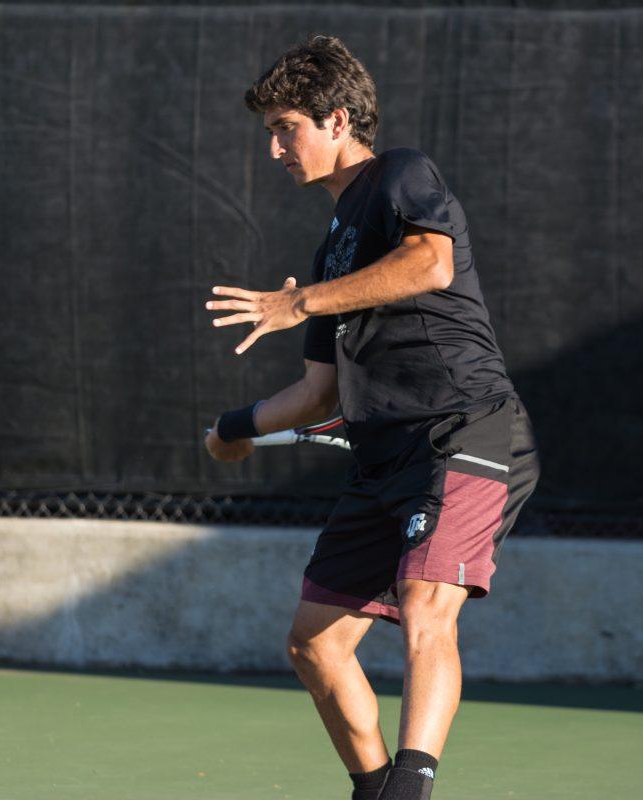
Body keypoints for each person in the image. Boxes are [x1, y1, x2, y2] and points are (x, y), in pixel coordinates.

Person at [203, 35, 539, 800]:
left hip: (466, 430)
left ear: (338, 119)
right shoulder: (330, 252)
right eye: (270, 133)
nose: (276, 148)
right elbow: (317, 395)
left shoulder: (401, 173)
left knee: (427, 605)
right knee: (314, 645)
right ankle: (375, 790)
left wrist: (299, 302)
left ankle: (411, 791)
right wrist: (233, 429)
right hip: (382, 458)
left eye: (286, 128)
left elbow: (432, 263)